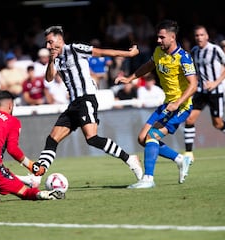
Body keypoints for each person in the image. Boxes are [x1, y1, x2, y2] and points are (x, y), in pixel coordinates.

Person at [20, 25, 142, 187]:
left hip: (86, 99)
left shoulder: (75, 49)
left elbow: (102, 52)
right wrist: (51, 59)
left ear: (59, 39)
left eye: (50, 42)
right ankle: (37, 176)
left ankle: (130, 159)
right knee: (52, 139)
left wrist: (129, 54)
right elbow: (49, 78)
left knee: (92, 138)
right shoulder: (55, 59)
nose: (48, 46)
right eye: (47, 43)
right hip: (74, 104)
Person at [115, 19, 197, 188]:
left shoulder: (183, 57)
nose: (158, 40)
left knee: (152, 136)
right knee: (142, 138)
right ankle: (180, 159)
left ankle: (148, 179)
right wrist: (130, 78)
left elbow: (193, 84)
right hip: (168, 104)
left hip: (181, 106)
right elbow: (148, 66)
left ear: (172, 37)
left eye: (162, 37)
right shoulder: (159, 52)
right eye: (157, 37)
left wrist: (178, 103)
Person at [183, 25, 225, 164]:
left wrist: (215, 82)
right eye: (197, 35)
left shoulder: (215, 50)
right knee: (189, 119)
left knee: (217, 123)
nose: (199, 38)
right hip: (201, 92)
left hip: (215, 92)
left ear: (207, 36)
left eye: (202, 35)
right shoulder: (194, 51)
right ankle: (189, 153)